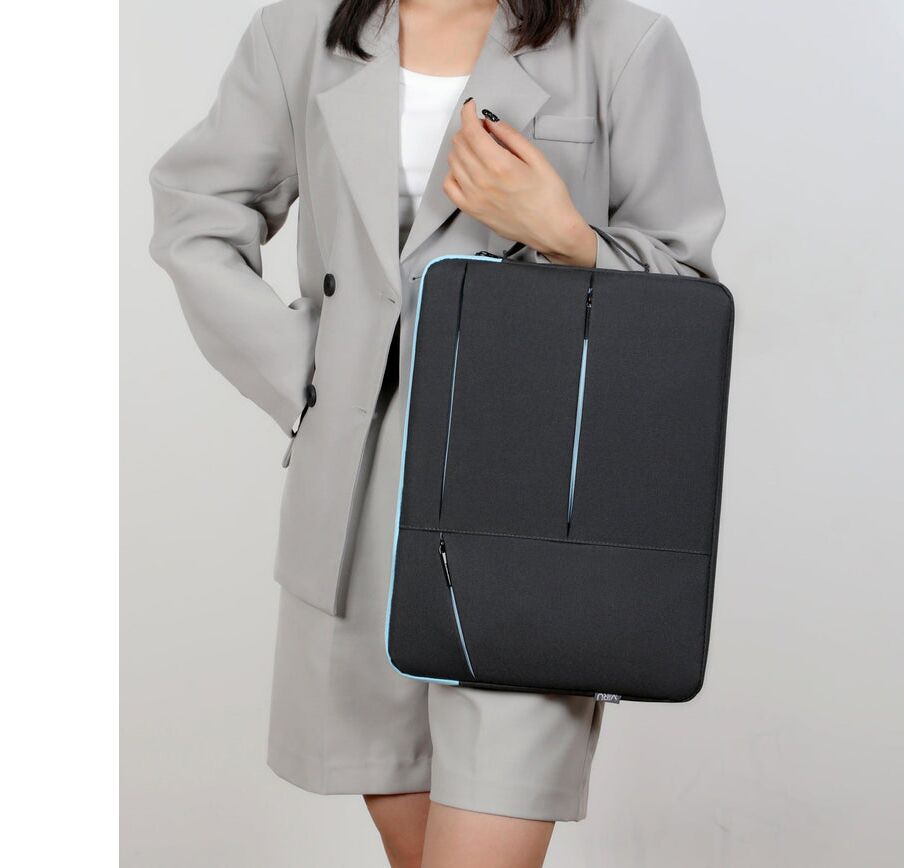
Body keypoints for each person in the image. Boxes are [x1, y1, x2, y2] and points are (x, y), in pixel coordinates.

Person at [149, 0, 724, 864]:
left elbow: (684, 286)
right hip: (355, 503)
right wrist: (307, 385)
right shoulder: (297, 33)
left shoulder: (622, 42)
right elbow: (195, 210)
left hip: (532, 510)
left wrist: (563, 234)